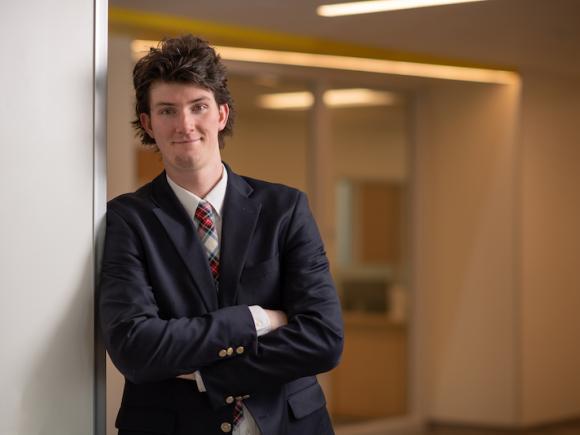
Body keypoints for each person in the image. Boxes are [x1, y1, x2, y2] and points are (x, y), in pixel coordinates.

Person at [99, 34, 344, 435]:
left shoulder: (285, 209)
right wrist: (257, 319)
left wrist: (209, 376)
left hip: (288, 424)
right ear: (148, 123)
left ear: (221, 115)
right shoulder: (127, 219)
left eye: (198, 107)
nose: (185, 124)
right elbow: (135, 347)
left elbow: (323, 337)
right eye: (167, 110)